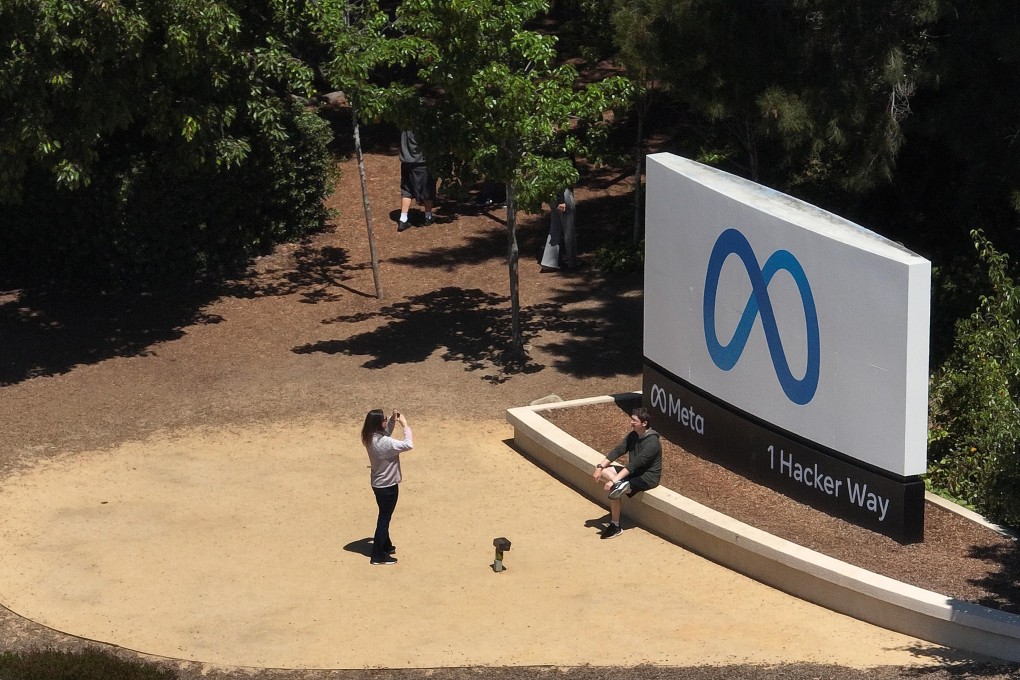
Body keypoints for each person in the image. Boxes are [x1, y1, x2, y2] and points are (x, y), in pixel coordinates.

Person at [591, 407, 661, 539]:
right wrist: (600, 467)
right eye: (632, 419)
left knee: (615, 487)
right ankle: (616, 522)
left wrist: (613, 481)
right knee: (607, 473)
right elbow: (618, 451)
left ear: (644, 423)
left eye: (634, 420)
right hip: (633, 473)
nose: (631, 422)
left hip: (647, 478)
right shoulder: (633, 435)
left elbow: (635, 464)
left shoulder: (652, 443)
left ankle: (615, 525)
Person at [361, 408, 414, 565]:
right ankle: (378, 555)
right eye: (384, 419)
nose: (386, 420)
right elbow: (408, 444)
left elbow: (386, 434)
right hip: (388, 487)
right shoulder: (386, 443)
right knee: (384, 518)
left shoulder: (369, 437)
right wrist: (404, 424)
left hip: (378, 484)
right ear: (378, 424)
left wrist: (392, 421)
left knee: (384, 515)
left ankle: (386, 545)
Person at [397, 130, 436, 232]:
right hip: (422, 163)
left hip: (406, 163)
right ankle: (428, 217)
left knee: (406, 190)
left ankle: (403, 219)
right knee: (428, 188)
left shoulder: (405, 123)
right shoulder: (422, 123)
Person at [540, 187, 577, 272]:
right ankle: (572, 262)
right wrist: (561, 201)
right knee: (569, 230)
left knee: (555, 229)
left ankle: (548, 262)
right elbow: (560, 180)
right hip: (563, 196)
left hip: (553, 196)